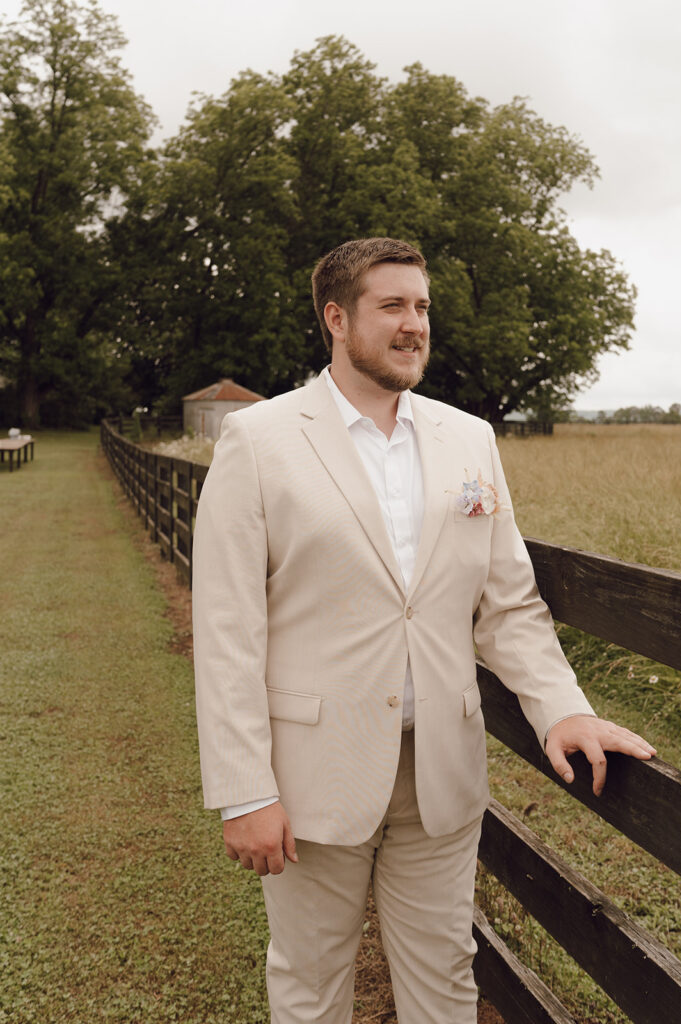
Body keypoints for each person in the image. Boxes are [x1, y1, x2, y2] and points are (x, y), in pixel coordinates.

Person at [192, 237, 655, 1023]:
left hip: (442, 768)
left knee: (445, 979)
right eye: (393, 306)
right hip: (312, 772)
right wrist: (244, 789)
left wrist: (562, 707)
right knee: (309, 984)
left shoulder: (467, 438)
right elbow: (228, 627)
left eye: (423, 307)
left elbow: (506, 604)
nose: (415, 325)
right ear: (337, 319)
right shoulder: (260, 441)